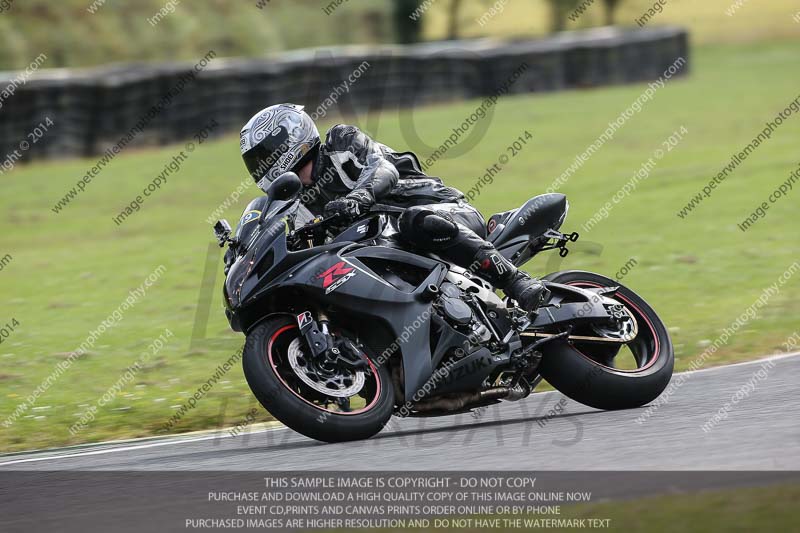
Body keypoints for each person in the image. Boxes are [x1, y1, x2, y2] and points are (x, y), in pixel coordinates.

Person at [239, 103, 549, 312]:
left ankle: (516, 281)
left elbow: (384, 170)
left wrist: (358, 198)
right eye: (254, 161)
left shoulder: (340, 143)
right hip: (390, 252)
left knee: (415, 221)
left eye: (263, 154)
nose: (260, 166)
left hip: (440, 212)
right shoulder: (296, 205)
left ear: (290, 139)